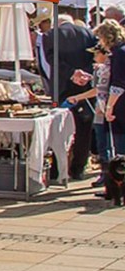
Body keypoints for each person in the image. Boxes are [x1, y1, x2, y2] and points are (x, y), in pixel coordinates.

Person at [42, 13, 96, 179]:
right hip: (85, 87)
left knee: (58, 128)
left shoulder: (50, 36)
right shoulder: (89, 34)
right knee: (84, 129)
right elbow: (96, 57)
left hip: (62, 86)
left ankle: (58, 169)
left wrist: (72, 73)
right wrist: (84, 74)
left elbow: (52, 59)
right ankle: (78, 168)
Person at [69, 42, 111, 190]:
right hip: (101, 110)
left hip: (105, 110)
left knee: (104, 144)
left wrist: (78, 97)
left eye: (96, 53)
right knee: (102, 143)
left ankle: (107, 175)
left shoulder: (106, 68)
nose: (94, 57)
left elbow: (99, 90)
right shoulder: (101, 69)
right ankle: (105, 174)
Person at [99, 20, 125, 157]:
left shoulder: (119, 53)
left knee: (121, 148)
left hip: (121, 107)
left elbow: (118, 84)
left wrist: (109, 107)